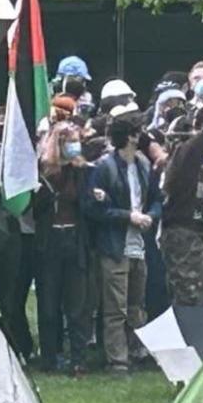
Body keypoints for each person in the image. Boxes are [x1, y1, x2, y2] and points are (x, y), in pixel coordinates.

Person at [84, 116, 161, 374]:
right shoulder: (104, 168)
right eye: (137, 132)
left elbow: (156, 199)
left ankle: (136, 350)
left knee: (136, 303)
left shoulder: (143, 164)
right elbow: (95, 210)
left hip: (139, 243)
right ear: (129, 136)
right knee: (115, 306)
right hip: (114, 245)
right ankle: (117, 359)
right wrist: (128, 216)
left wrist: (151, 215)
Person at [34, 121, 94, 374]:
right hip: (50, 242)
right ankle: (50, 357)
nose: (73, 145)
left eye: (75, 140)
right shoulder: (42, 174)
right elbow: (35, 210)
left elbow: (87, 206)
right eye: (68, 140)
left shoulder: (83, 172)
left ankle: (78, 359)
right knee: (48, 305)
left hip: (75, 240)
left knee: (77, 304)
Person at [159, 94, 203, 307]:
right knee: (190, 295)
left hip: (189, 234)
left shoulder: (190, 167)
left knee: (193, 292)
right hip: (184, 236)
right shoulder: (184, 158)